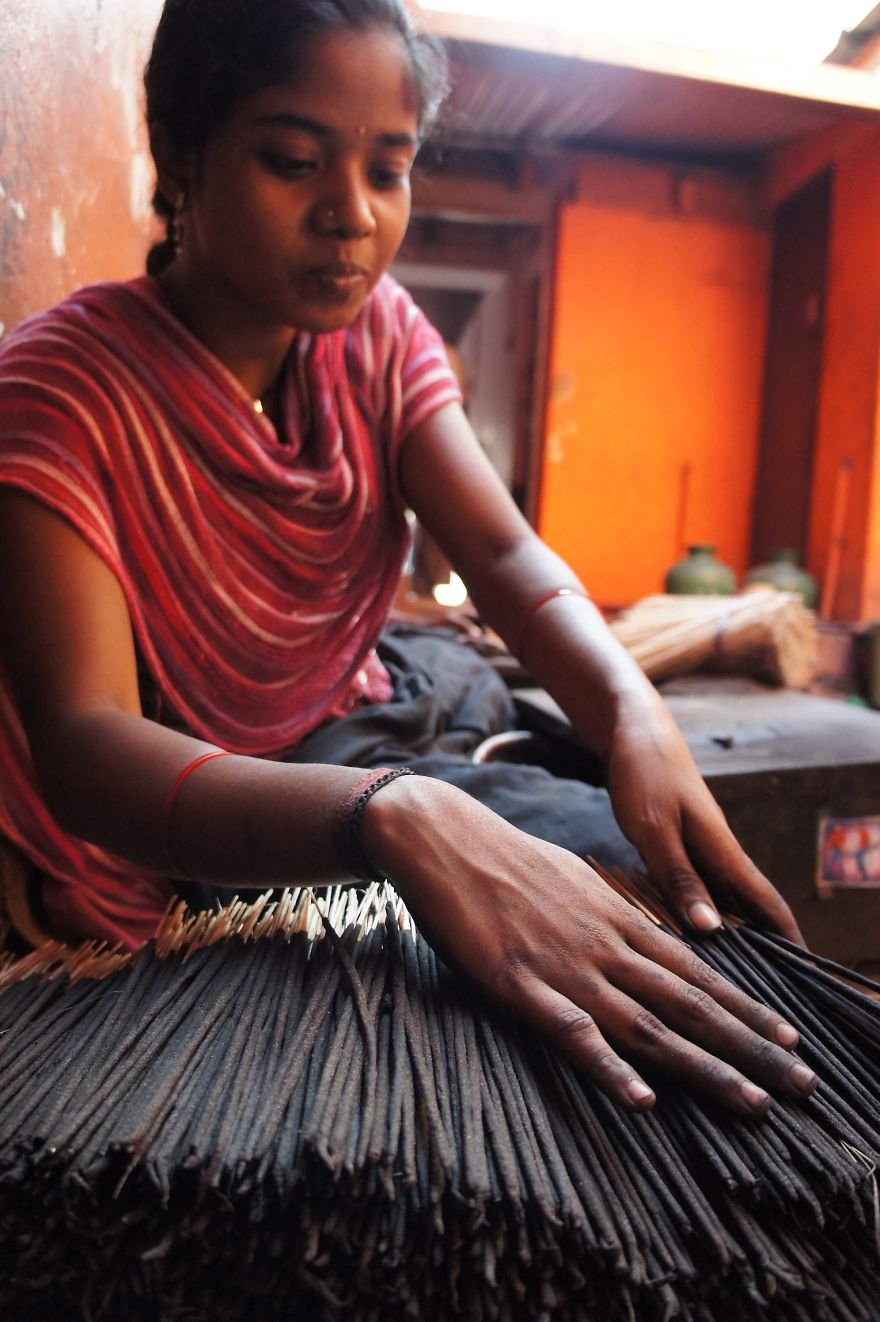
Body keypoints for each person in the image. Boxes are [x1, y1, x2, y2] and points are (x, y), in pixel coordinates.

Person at [0, 0, 817, 1119]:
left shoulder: (376, 337)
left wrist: (629, 703)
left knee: (639, 884)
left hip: (354, 717)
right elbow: (86, 746)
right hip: (201, 802)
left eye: (390, 168)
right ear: (181, 156)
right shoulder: (61, 395)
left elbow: (499, 551)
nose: (351, 215)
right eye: (294, 160)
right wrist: (393, 813)